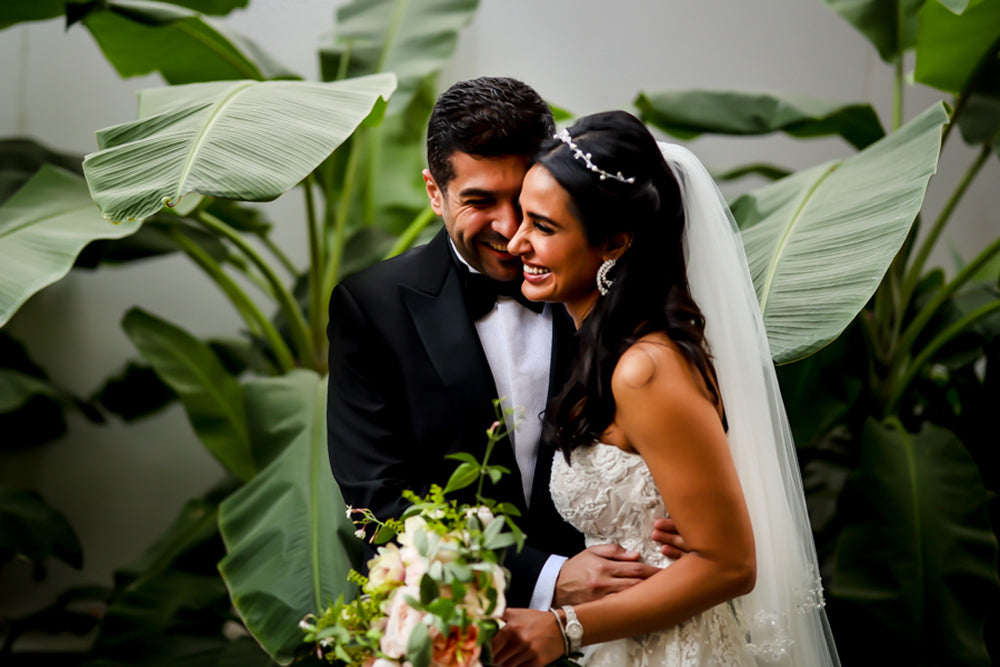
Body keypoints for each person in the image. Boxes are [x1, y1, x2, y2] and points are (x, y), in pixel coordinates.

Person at [491, 111, 840, 666]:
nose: (515, 243)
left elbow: (731, 564)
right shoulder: (603, 348)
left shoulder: (645, 369)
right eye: (522, 220)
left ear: (613, 243)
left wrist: (565, 627)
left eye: (544, 227)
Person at [326, 78, 680, 611]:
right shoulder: (371, 307)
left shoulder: (607, 282)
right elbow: (378, 499)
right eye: (479, 201)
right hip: (457, 621)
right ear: (433, 192)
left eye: (522, 198)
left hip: (628, 609)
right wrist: (548, 578)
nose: (511, 227)